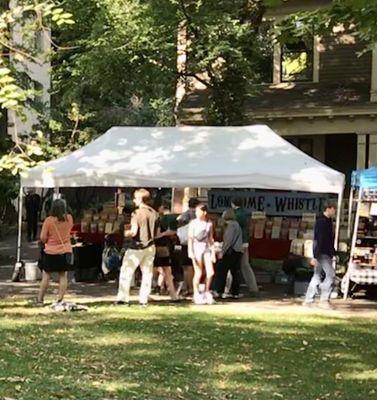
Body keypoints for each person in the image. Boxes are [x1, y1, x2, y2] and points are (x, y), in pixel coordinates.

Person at [116, 188, 160, 306]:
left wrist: (126, 232)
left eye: (135, 198)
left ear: (139, 199)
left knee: (127, 271)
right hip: (151, 246)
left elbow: (134, 231)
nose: (134, 200)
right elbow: (156, 233)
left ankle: (123, 298)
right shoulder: (155, 213)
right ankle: (143, 299)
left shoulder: (136, 213)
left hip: (136, 246)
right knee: (147, 273)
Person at [36, 199, 74, 305]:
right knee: (63, 275)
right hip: (65, 250)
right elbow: (69, 230)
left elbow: (43, 238)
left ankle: (40, 299)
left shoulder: (49, 221)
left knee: (46, 276)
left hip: (50, 251)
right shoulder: (69, 218)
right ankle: (60, 298)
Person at [303, 200, 337, 309]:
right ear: (329, 208)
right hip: (322, 253)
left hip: (324, 252)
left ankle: (308, 300)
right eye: (334, 208)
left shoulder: (327, 221)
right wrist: (315, 255)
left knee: (317, 276)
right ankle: (323, 299)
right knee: (330, 275)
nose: (335, 211)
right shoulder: (322, 222)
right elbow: (318, 239)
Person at [188, 204, 216, 305]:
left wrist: (213, 252)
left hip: (206, 248)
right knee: (198, 272)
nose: (196, 213)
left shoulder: (209, 223)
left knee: (210, 272)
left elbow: (210, 239)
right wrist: (190, 251)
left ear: (204, 212)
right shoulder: (193, 223)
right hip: (196, 247)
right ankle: (196, 294)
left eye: (198, 211)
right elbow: (190, 239)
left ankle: (206, 291)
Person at [213, 209, 243, 298]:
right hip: (237, 251)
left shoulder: (230, 226)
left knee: (222, 271)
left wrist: (222, 251)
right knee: (235, 272)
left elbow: (228, 241)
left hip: (230, 252)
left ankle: (219, 291)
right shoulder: (237, 225)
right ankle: (235, 292)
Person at [231, 197, 259, 295]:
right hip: (244, 242)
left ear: (233, 204)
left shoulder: (237, 215)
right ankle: (253, 288)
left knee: (238, 265)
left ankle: (231, 288)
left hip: (239, 243)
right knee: (245, 265)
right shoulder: (244, 213)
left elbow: (235, 230)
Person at [153, 203, 179, 301]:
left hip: (154, 246)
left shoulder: (157, 220)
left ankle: (154, 288)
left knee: (153, 270)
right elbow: (161, 234)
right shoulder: (163, 220)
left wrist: (161, 234)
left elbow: (157, 234)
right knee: (167, 270)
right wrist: (165, 233)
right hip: (163, 247)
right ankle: (173, 294)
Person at [177, 197, 199, 295]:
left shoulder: (183, 215)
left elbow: (178, 225)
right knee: (193, 267)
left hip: (184, 243)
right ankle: (192, 288)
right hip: (195, 243)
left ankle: (187, 287)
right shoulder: (197, 215)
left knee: (186, 267)